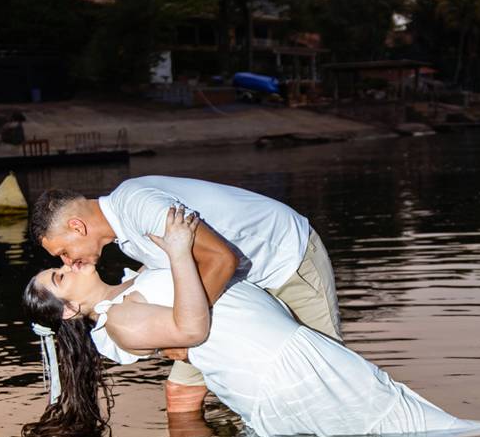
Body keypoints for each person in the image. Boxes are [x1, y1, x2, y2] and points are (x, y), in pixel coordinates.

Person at [22, 206, 480, 437]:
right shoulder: (118, 325)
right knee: (396, 425)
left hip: (292, 353)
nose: (69, 264)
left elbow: (185, 344)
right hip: (279, 373)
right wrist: (183, 252)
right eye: (60, 277)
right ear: (70, 311)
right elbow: (191, 331)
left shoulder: (132, 284)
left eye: (60, 262)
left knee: (396, 416)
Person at [29, 176, 341, 414]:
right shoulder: (126, 239)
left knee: (327, 380)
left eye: (64, 252)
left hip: (286, 261)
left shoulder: (138, 206)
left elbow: (221, 260)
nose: (68, 262)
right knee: (181, 392)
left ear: (77, 227)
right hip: (238, 288)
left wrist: (182, 336)